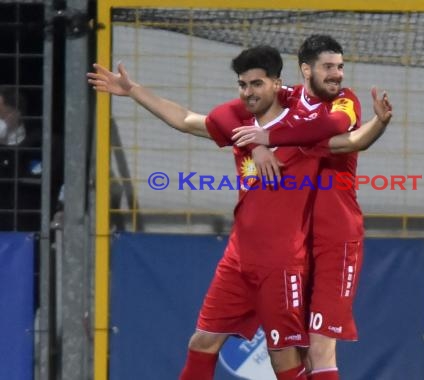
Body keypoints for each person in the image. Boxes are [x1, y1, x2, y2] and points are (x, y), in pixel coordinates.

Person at [87, 44, 391, 380]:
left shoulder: (303, 132)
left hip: (281, 264)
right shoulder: (240, 128)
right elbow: (187, 119)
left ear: (277, 84)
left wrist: (379, 122)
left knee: (288, 358)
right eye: (243, 85)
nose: (248, 92)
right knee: (202, 340)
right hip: (238, 259)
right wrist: (133, 91)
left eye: (256, 84)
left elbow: (349, 141)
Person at [230, 35, 393, 380]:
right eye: (329, 67)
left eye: (340, 67)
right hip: (294, 244)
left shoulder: (344, 103)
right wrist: (257, 147)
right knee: (295, 352)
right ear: (306, 69)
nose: (337, 75)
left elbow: (338, 130)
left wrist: (378, 124)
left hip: (336, 239)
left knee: (320, 348)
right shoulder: (286, 97)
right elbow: (233, 111)